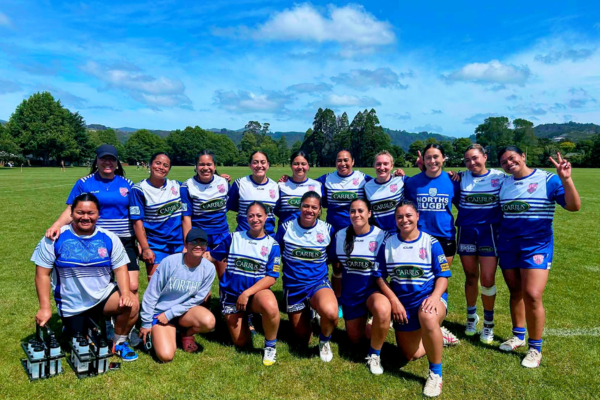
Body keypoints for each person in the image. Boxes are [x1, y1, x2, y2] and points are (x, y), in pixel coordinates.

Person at [496, 147, 580, 368]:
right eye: (504, 162)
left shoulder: (548, 179)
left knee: (532, 295)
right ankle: (518, 336)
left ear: (523, 156)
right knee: (515, 291)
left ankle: (535, 348)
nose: (509, 163)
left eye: (512, 158)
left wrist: (566, 180)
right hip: (508, 245)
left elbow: (574, 206)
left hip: (536, 246)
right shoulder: (504, 183)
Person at [33, 193, 139, 361]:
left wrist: (125, 293)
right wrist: (45, 308)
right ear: (71, 214)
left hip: (102, 296)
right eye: (80, 212)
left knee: (132, 304)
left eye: (91, 213)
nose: (85, 217)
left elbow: (120, 268)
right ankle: (73, 325)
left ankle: (118, 342)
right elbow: (42, 274)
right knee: (84, 345)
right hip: (72, 303)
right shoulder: (55, 238)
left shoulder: (109, 238)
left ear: (98, 215)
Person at [377, 201, 452, 397]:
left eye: (409, 215)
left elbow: (443, 276)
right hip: (403, 304)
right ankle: (437, 335)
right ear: (395, 220)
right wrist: (394, 301)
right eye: (400, 217)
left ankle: (435, 374)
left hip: (429, 298)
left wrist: (435, 297)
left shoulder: (431, 243)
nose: (404, 220)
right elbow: (379, 277)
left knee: (427, 315)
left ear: (418, 216)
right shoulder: (388, 244)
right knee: (411, 354)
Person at [45, 145, 139, 294]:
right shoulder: (84, 183)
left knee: (132, 286)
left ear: (117, 162)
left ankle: (120, 305)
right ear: (97, 160)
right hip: (97, 240)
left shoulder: (127, 184)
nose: (107, 162)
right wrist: (56, 225)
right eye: (103, 158)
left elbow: (135, 215)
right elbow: (71, 209)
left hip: (125, 240)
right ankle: (109, 307)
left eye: (111, 159)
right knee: (101, 285)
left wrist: (140, 241)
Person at [207, 201, 281, 366]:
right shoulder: (234, 238)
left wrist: (247, 293)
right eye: (251, 216)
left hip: (254, 295)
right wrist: (188, 256)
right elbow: (212, 256)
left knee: (270, 305)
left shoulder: (272, 245)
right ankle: (246, 317)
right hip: (231, 296)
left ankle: (270, 346)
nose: (255, 219)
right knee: (242, 343)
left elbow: (271, 277)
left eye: (259, 215)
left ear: (266, 217)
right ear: (246, 218)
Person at [404, 143, 460, 347]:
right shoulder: (412, 182)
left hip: (444, 238)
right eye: (428, 157)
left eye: (436, 157)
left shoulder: (453, 181)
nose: (432, 161)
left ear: (444, 158)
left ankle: (437, 323)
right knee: (418, 277)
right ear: (423, 160)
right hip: (419, 238)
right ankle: (416, 315)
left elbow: (463, 205)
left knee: (440, 279)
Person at [330, 198, 391, 375]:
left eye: (360, 211)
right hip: (352, 294)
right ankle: (374, 323)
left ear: (369, 213)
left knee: (382, 308)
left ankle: (375, 354)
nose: (356, 214)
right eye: (353, 211)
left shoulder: (382, 236)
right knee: (355, 340)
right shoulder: (340, 236)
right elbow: (331, 263)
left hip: (373, 291)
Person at [276, 191, 338, 362]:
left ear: (319, 210)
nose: (309, 210)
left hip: (317, 283)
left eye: (314, 207)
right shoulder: (286, 228)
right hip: (293, 286)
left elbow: (331, 257)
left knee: (331, 313)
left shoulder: (327, 229)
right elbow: (276, 252)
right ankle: (311, 311)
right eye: (306, 206)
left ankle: (324, 341)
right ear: (300, 207)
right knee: (303, 339)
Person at [139, 228, 216, 362]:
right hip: (160, 313)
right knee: (166, 356)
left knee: (209, 321)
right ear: (185, 245)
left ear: (206, 246)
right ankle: (162, 332)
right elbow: (152, 293)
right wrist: (146, 322)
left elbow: (198, 298)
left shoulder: (209, 268)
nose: (198, 246)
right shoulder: (170, 262)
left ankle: (186, 334)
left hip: (183, 312)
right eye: (193, 242)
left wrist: (171, 313)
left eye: (202, 242)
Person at [455, 144, 506, 343]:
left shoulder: (500, 177)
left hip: (489, 233)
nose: (471, 163)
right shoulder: (460, 177)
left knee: (487, 279)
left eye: (475, 158)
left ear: (485, 157)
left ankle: (488, 323)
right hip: (466, 232)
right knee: (470, 277)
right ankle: (471, 317)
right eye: (467, 160)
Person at [130, 152, 185, 282]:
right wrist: (145, 248)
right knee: (156, 286)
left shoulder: (177, 186)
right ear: (150, 164)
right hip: (155, 245)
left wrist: (220, 179)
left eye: (165, 165)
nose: (161, 167)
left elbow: (199, 186)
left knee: (180, 285)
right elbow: (137, 222)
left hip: (178, 244)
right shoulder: (139, 190)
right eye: (158, 163)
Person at [181, 151, 230, 249]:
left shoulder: (223, 182)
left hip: (221, 234)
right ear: (196, 166)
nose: (205, 168)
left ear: (214, 166)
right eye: (201, 164)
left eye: (209, 164)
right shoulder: (187, 186)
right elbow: (186, 217)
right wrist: (188, 243)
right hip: (199, 236)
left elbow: (229, 205)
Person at [227, 151, 279, 237]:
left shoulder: (275, 186)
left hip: (268, 237)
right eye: (255, 162)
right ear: (250, 165)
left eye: (263, 162)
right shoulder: (240, 183)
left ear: (268, 165)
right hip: (243, 237)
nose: (259, 165)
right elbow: (229, 206)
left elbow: (279, 211)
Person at [275, 150, 323, 226]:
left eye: (303, 164)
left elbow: (320, 210)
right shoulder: (281, 185)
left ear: (308, 166)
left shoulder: (317, 185)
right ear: (291, 166)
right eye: (296, 164)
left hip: (309, 231)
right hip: (287, 230)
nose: (300, 167)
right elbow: (275, 210)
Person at [364, 151, 407, 234]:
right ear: (374, 166)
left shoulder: (401, 180)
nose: (382, 167)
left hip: (399, 233)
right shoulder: (367, 186)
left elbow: (420, 182)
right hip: (378, 235)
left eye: (385, 164)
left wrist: (422, 166)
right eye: (378, 164)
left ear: (391, 166)